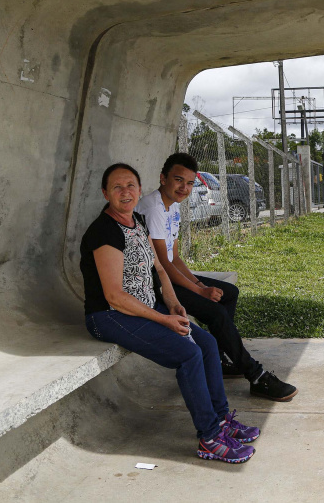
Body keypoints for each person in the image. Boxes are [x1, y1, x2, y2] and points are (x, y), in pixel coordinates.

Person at [80, 163, 260, 464]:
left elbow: (160, 269)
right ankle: (209, 438)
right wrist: (164, 319)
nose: (125, 192)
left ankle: (221, 420)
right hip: (109, 316)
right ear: (105, 193)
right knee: (188, 354)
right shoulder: (104, 231)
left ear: (140, 189)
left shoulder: (137, 220)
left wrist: (174, 304)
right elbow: (114, 296)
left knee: (207, 343)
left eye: (131, 185)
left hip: (145, 307)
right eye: (117, 187)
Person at [136, 153, 298, 402]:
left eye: (190, 183)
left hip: (167, 274)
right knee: (217, 312)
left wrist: (200, 284)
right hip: (154, 284)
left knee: (229, 293)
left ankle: (222, 359)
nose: (184, 188)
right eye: (178, 180)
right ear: (163, 178)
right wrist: (200, 291)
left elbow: (175, 257)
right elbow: (163, 265)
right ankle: (256, 376)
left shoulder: (173, 206)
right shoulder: (152, 208)